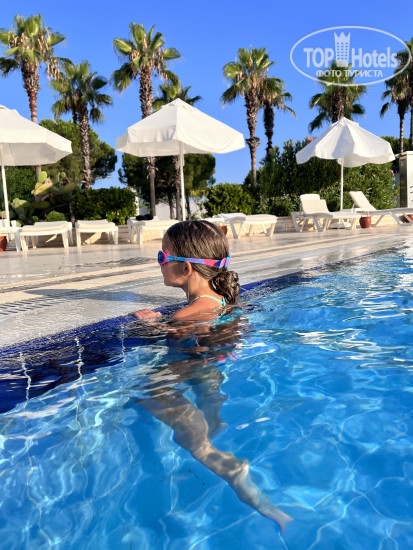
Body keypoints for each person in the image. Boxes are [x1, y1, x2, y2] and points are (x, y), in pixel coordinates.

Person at [134, 220, 240, 322]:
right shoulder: (223, 300)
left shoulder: (184, 316)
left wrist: (153, 324)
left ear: (186, 268)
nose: (160, 263)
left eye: (162, 257)